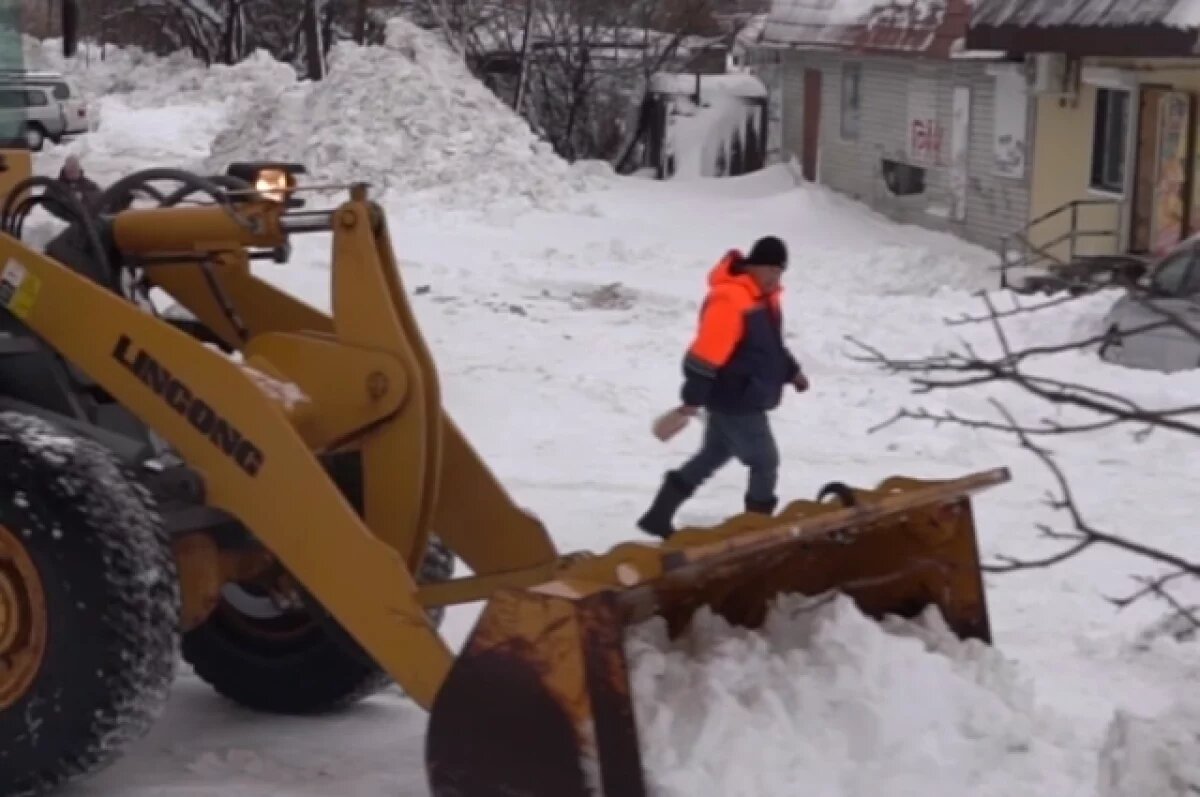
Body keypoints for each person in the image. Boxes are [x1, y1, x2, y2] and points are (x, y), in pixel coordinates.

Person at [637, 235, 808, 539]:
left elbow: (769, 348)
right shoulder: (731, 299)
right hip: (737, 398)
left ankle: (658, 515)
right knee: (765, 462)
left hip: (742, 394)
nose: (775, 278)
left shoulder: (762, 299)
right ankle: (757, 531)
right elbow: (706, 354)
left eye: (780, 272)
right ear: (754, 266)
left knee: (712, 455)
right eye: (770, 270)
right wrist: (692, 399)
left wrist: (792, 372)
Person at [45, 154, 102, 222]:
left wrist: (83, 197)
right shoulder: (55, 185)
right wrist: (67, 200)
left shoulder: (89, 185)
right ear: (65, 170)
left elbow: (101, 198)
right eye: (69, 170)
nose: (72, 172)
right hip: (63, 222)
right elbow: (46, 202)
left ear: (79, 169)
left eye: (74, 168)